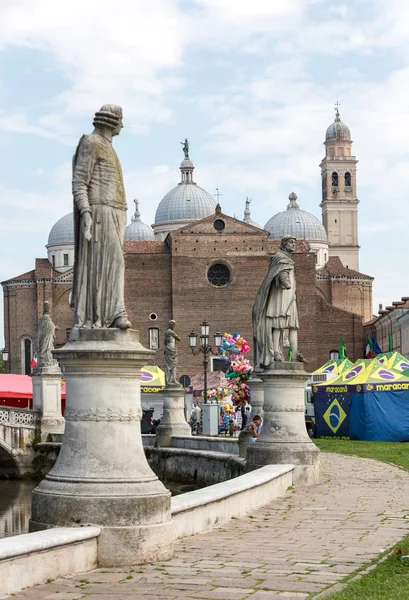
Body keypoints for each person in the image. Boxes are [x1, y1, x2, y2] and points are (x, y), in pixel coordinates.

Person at [71, 104, 131, 330]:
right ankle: (107, 315)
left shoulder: (108, 147)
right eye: (120, 120)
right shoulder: (91, 142)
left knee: (116, 264)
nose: (122, 125)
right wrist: (85, 213)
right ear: (111, 121)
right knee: (109, 262)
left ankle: (113, 314)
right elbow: (79, 182)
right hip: (100, 213)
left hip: (115, 213)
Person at [252, 235, 302, 368]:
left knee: (293, 326)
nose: (293, 245)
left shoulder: (288, 259)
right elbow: (280, 273)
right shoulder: (279, 257)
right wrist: (285, 282)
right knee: (278, 325)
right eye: (291, 242)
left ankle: (295, 353)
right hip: (280, 298)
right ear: (284, 244)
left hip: (290, 299)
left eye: (294, 242)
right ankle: (276, 352)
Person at [34, 301, 59, 368]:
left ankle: (46, 361)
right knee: (47, 350)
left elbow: (50, 327)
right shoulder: (45, 320)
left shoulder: (43, 320)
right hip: (45, 338)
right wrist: (54, 328)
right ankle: (45, 361)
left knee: (48, 349)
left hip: (46, 338)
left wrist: (54, 328)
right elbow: (49, 327)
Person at [164, 320, 181, 385]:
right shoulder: (171, 332)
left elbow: (165, 342)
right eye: (173, 325)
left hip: (168, 349)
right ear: (170, 325)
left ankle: (171, 379)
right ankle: (171, 379)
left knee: (171, 365)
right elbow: (179, 339)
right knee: (172, 365)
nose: (174, 326)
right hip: (171, 349)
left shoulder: (166, 332)